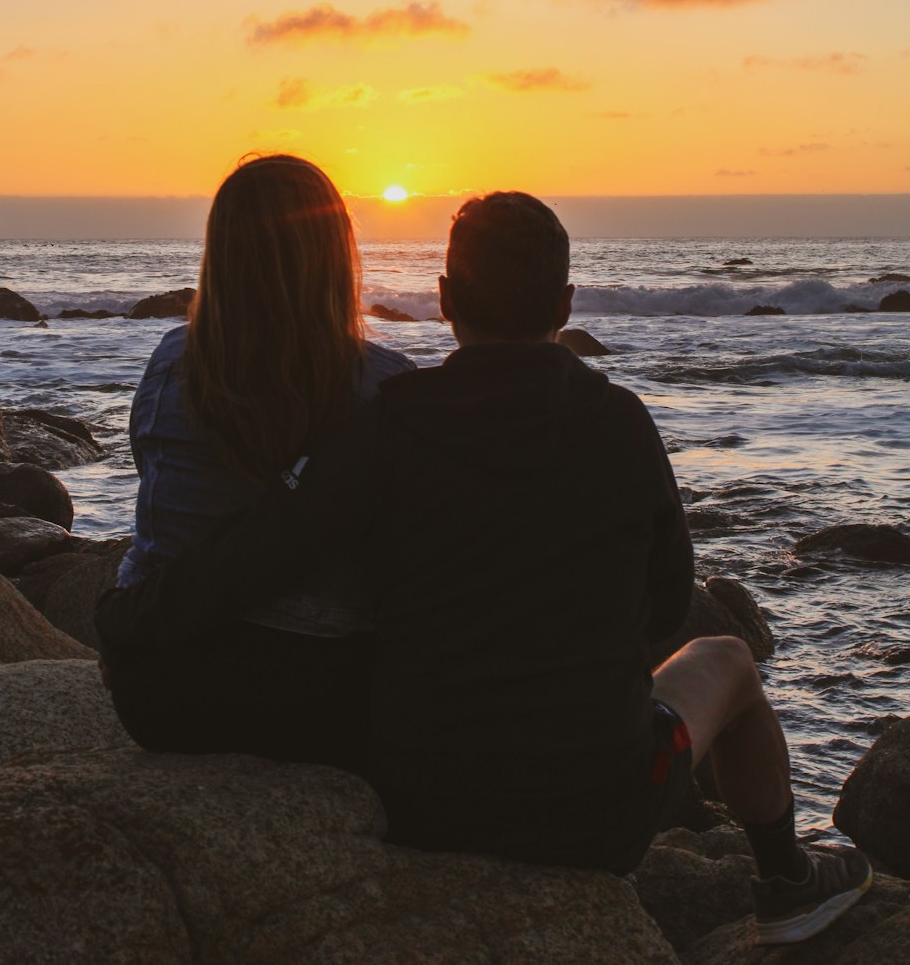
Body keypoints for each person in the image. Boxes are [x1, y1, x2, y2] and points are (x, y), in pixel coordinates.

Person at [97, 191, 872, 945]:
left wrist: (134, 618)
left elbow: (276, 546)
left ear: (443, 300)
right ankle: (786, 878)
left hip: (422, 796)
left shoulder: (393, 418)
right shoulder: (622, 425)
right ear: (567, 303)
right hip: (598, 814)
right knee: (727, 658)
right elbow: (667, 606)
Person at [102, 153, 413, 770]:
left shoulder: (171, 365)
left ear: (221, 255)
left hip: (165, 693)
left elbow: (155, 490)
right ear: (334, 258)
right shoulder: (387, 390)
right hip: (320, 699)